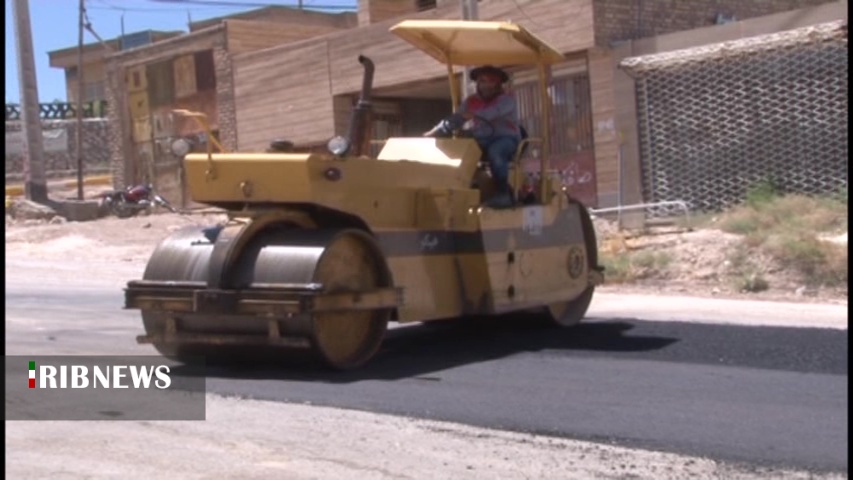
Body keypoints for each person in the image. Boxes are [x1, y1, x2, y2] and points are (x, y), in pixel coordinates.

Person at [448, 65, 522, 209]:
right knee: (461, 149)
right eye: (482, 81)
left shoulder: (507, 100)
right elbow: (458, 117)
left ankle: (503, 194)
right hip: (481, 139)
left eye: (491, 81)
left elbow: (491, 113)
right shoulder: (470, 101)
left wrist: (470, 115)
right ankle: (461, 189)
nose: (486, 85)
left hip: (506, 138)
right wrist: (445, 125)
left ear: (499, 83)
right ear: (477, 84)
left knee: (496, 152)